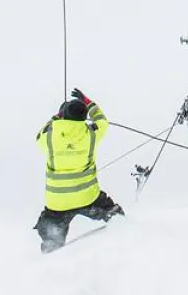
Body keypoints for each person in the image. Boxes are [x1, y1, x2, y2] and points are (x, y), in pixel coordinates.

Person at [33, 88, 124, 253]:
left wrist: (58, 116)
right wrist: (87, 101)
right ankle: (125, 231)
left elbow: (40, 134)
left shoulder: (50, 136)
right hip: (88, 198)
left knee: (51, 233)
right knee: (115, 215)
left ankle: (51, 246)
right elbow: (102, 120)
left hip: (58, 203)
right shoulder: (91, 134)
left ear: (64, 115)